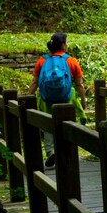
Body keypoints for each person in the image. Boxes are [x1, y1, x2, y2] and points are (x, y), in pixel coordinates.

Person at [29, 32, 88, 168]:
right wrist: (83, 101)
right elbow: (79, 84)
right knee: (69, 123)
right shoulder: (70, 61)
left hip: (46, 99)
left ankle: (50, 151)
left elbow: (35, 82)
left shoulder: (42, 61)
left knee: (48, 125)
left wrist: (27, 97)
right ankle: (67, 151)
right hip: (67, 98)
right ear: (63, 45)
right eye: (66, 42)